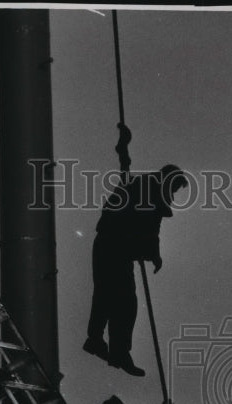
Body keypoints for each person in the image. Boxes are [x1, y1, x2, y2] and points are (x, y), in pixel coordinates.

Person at [83, 125, 188, 376]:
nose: (173, 195)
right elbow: (150, 228)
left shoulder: (148, 191)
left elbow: (151, 228)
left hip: (116, 249)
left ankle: (106, 345)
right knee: (117, 299)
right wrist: (152, 253)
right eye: (174, 189)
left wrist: (153, 254)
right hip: (112, 247)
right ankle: (107, 345)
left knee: (116, 299)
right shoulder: (147, 191)